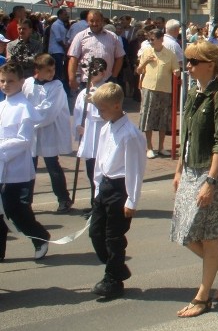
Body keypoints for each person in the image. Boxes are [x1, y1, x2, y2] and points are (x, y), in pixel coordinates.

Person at [170, 40, 218, 317]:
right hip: (190, 169)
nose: (188, 67)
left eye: (193, 62)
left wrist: (210, 182)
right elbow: (186, 134)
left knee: (208, 236)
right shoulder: (192, 93)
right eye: (187, 61)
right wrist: (178, 169)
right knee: (184, 233)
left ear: (210, 65)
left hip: (212, 173)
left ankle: (203, 296)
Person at [87, 83, 146, 298]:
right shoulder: (106, 128)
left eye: (102, 109)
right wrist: (96, 189)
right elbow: (100, 162)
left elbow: (135, 169)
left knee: (114, 236)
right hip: (105, 186)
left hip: (120, 188)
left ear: (116, 105)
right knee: (96, 233)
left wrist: (132, 200)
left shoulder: (130, 135)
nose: (99, 113)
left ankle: (112, 278)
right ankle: (118, 267)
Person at [0, 62, 51, 261]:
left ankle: (39, 237)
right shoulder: (2, 105)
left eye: (10, 81)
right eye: (2, 81)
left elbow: (23, 140)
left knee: (15, 209)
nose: (5, 85)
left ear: (21, 82)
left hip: (16, 169)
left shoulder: (24, 107)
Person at [23, 54, 73, 213]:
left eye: (53, 70)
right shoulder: (28, 83)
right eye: (48, 70)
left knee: (52, 165)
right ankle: (25, 201)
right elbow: (23, 104)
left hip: (48, 130)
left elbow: (49, 110)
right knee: (29, 167)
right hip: (31, 131)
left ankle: (63, 199)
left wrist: (28, 119)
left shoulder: (56, 86)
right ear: (37, 70)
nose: (52, 73)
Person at [136, 29, 180, 159]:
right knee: (148, 117)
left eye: (153, 39)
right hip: (149, 88)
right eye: (149, 40)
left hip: (164, 89)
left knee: (163, 119)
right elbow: (138, 71)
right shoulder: (147, 52)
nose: (151, 42)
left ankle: (161, 147)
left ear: (161, 39)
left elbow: (175, 68)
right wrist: (145, 62)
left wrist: (177, 72)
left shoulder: (170, 54)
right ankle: (149, 147)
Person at [74, 58, 109, 214]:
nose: (92, 74)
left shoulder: (107, 89)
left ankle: (100, 204)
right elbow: (77, 110)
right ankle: (94, 203)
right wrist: (78, 126)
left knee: (99, 172)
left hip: (100, 132)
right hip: (88, 133)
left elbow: (107, 113)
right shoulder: (84, 91)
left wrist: (94, 102)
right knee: (90, 171)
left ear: (102, 72)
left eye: (96, 71)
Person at [67, 10, 125, 94]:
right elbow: (73, 58)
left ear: (102, 21)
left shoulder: (112, 37)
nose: (95, 24)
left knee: (104, 107)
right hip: (86, 81)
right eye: (92, 21)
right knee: (86, 106)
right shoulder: (80, 36)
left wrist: (114, 76)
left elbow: (120, 57)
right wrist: (72, 78)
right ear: (87, 21)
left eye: (97, 21)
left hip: (106, 81)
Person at [46, 8, 70, 93]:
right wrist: (64, 47)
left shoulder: (62, 25)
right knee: (58, 72)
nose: (67, 16)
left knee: (60, 72)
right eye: (65, 14)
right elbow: (58, 38)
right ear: (59, 15)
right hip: (56, 51)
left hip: (60, 51)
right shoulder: (56, 25)